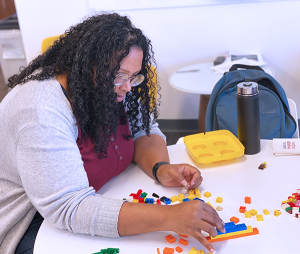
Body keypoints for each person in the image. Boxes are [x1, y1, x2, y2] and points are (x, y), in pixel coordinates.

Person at [0, 13, 224, 254]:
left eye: (133, 76)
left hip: (93, 199)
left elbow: (142, 129)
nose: (127, 87)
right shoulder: (40, 111)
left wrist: (160, 167)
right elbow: (69, 208)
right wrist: (169, 216)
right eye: (119, 76)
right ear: (86, 65)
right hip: (32, 223)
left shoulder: (110, 85)